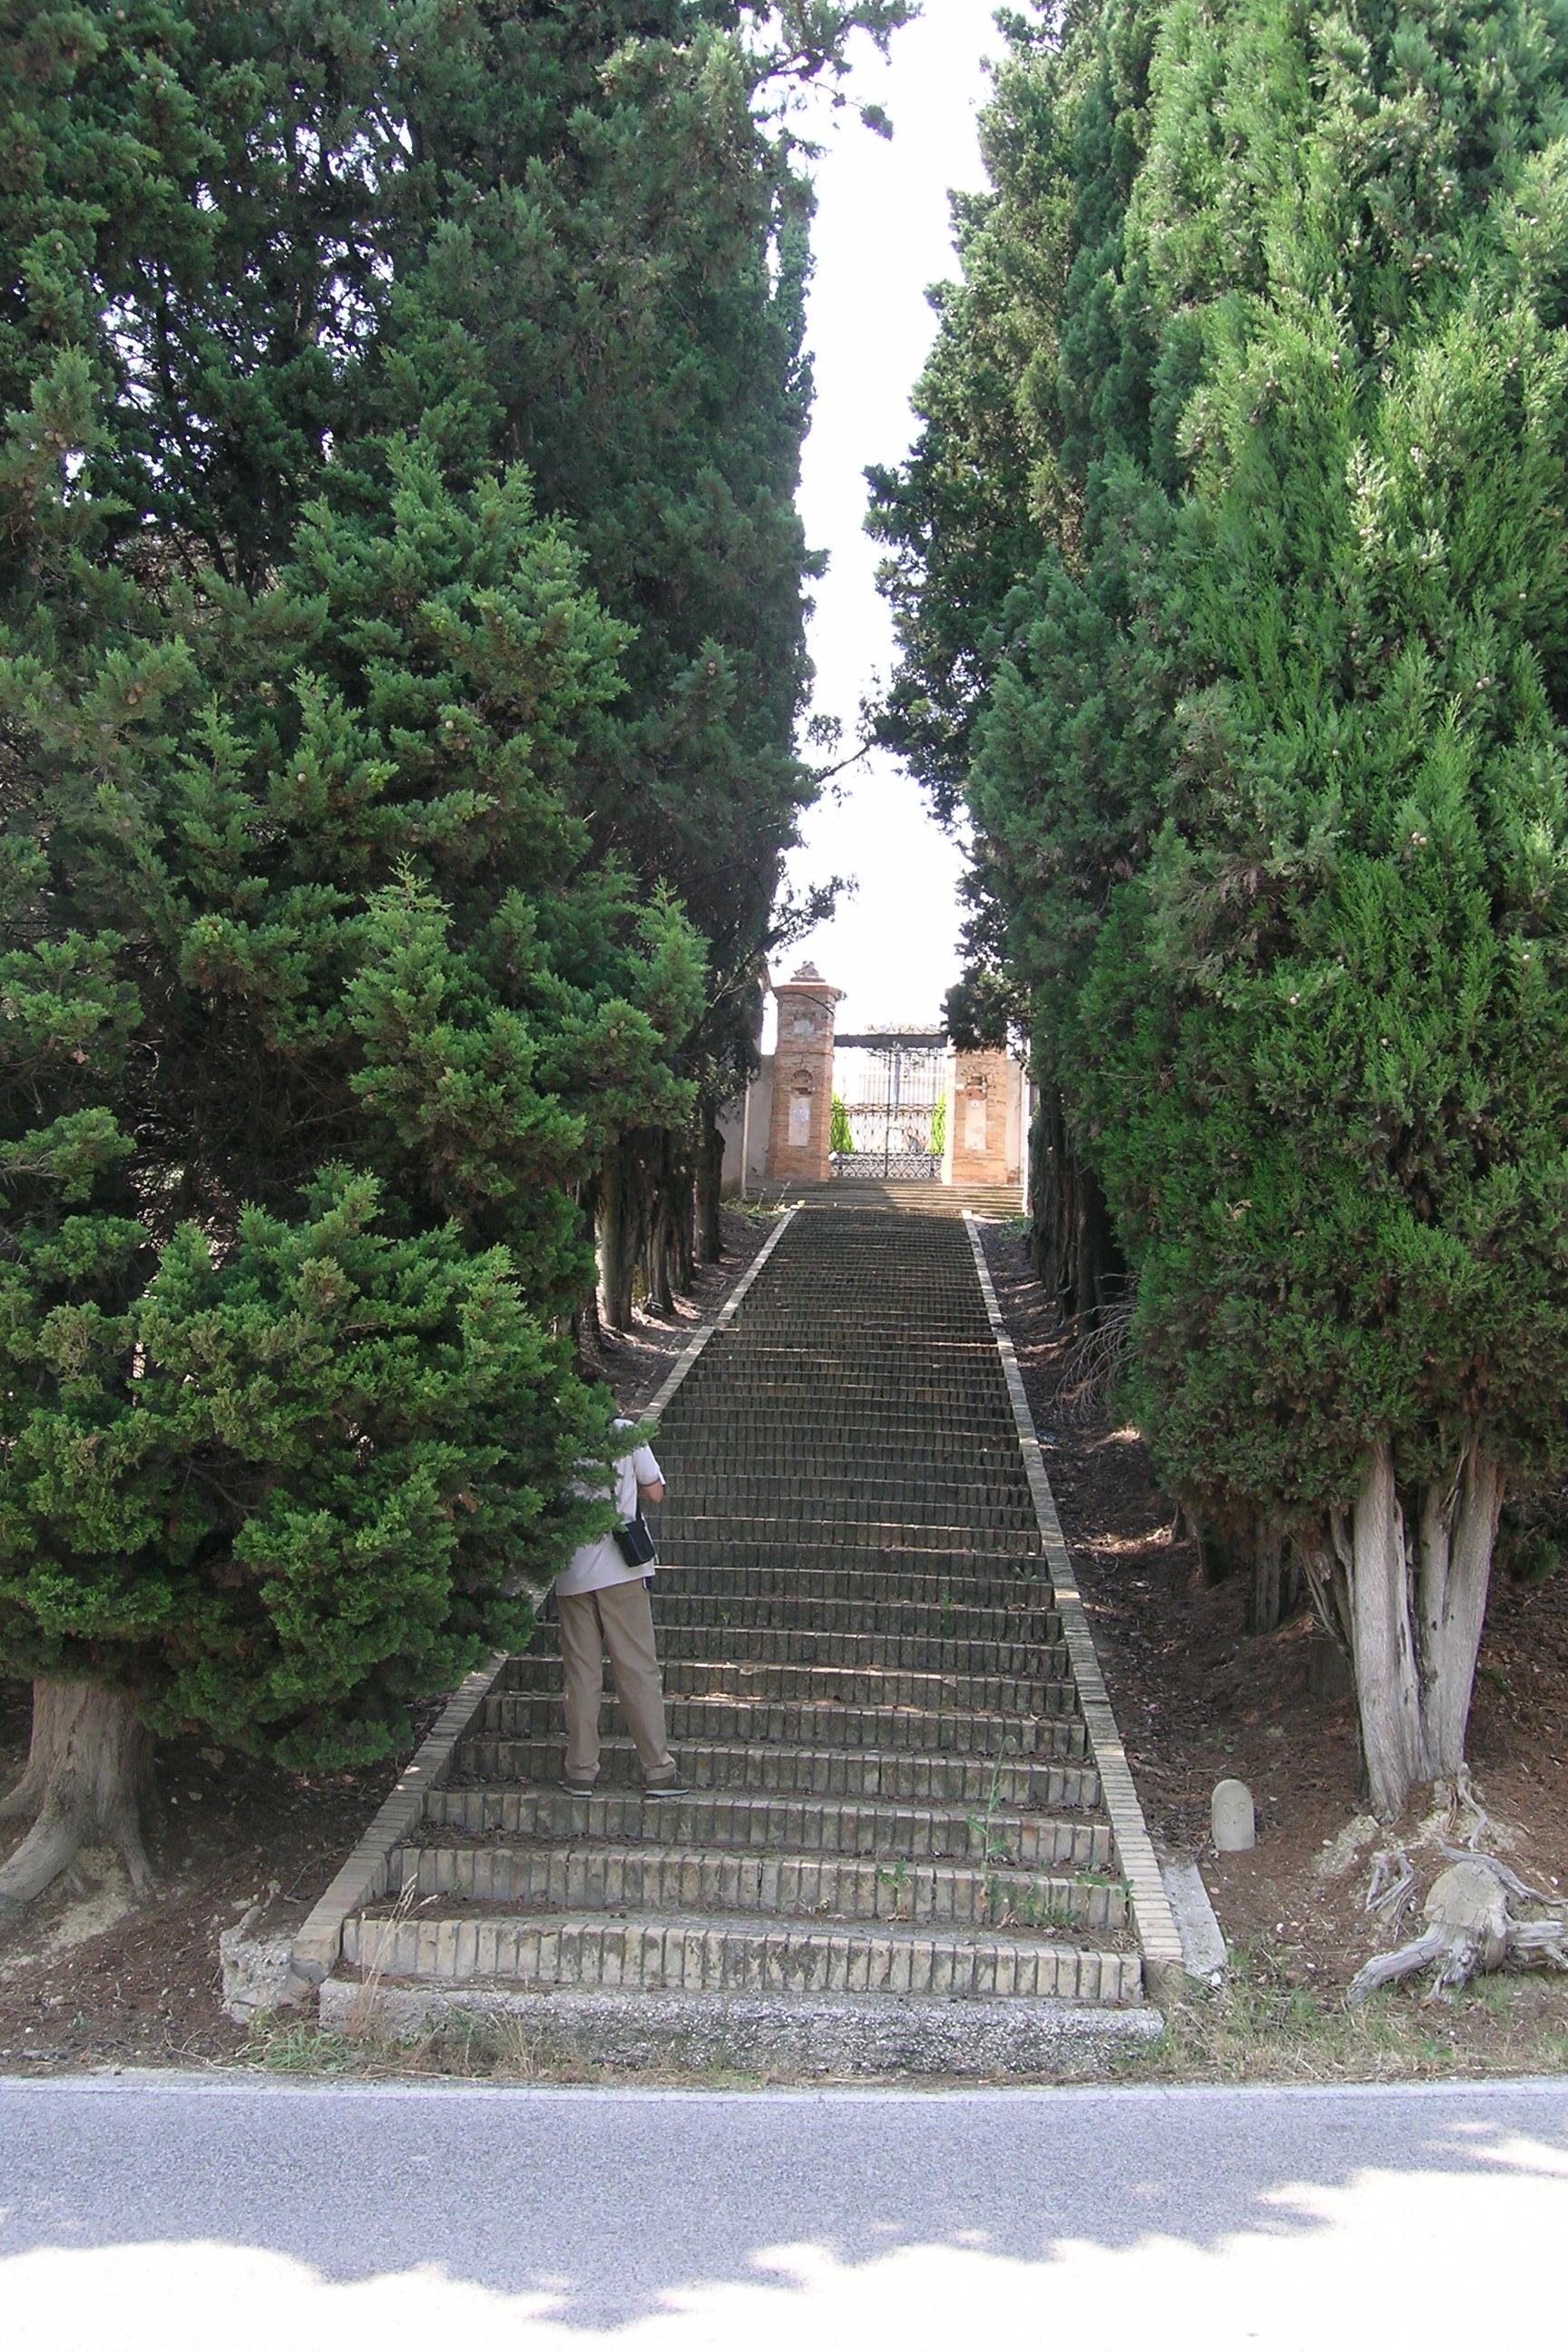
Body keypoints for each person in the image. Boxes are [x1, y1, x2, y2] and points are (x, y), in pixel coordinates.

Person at [555, 1419, 685, 1796]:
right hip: (623, 1572)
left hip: (572, 1573)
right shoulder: (625, 1432)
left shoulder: (560, 1436)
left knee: (581, 1673)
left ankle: (580, 1770)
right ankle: (658, 1769)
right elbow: (656, 1492)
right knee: (637, 1669)